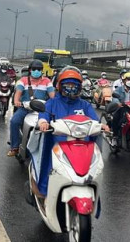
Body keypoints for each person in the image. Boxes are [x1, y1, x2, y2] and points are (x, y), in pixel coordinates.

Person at [34, 68, 105, 196]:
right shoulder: (52, 102)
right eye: (68, 85)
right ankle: (45, 191)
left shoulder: (85, 105)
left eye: (74, 85)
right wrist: (43, 122)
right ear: (60, 86)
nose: (71, 88)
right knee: (49, 165)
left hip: (82, 146)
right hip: (57, 146)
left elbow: (94, 120)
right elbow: (44, 114)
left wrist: (102, 126)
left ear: (79, 87)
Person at [7, 60, 56, 157]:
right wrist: (17, 101)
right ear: (30, 70)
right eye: (34, 69)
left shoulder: (47, 81)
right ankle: (15, 147)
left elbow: (52, 96)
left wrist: (56, 104)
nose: (36, 71)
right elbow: (18, 93)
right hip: (26, 108)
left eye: (39, 69)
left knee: (54, 124)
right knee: (14, 121)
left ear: (42, 70)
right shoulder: (23, 80)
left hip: (42, 109)